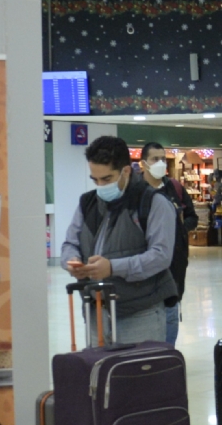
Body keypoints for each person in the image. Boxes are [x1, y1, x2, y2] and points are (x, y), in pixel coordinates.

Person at [61, 136, 177, 344]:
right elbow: (70, 243)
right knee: (101, 373)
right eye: (95, 180)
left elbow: (160, 256)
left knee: (137, 374)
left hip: (141, 313)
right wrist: (72, 261)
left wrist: (112, 268)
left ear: (126, 171)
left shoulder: (153, 203)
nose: (100, 186)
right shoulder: (87, 203)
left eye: (106, 179)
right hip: (96, 311)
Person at [139, 143, 197, 346]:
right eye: (155, 159)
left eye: (163, 159)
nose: (160, 163)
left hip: (175, 265)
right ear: (143, 164)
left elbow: (192, 217)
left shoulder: (174, 188)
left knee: (171, 314)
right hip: (148, 267)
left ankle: (167, 357)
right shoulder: (135, 193)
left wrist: (180, 226)